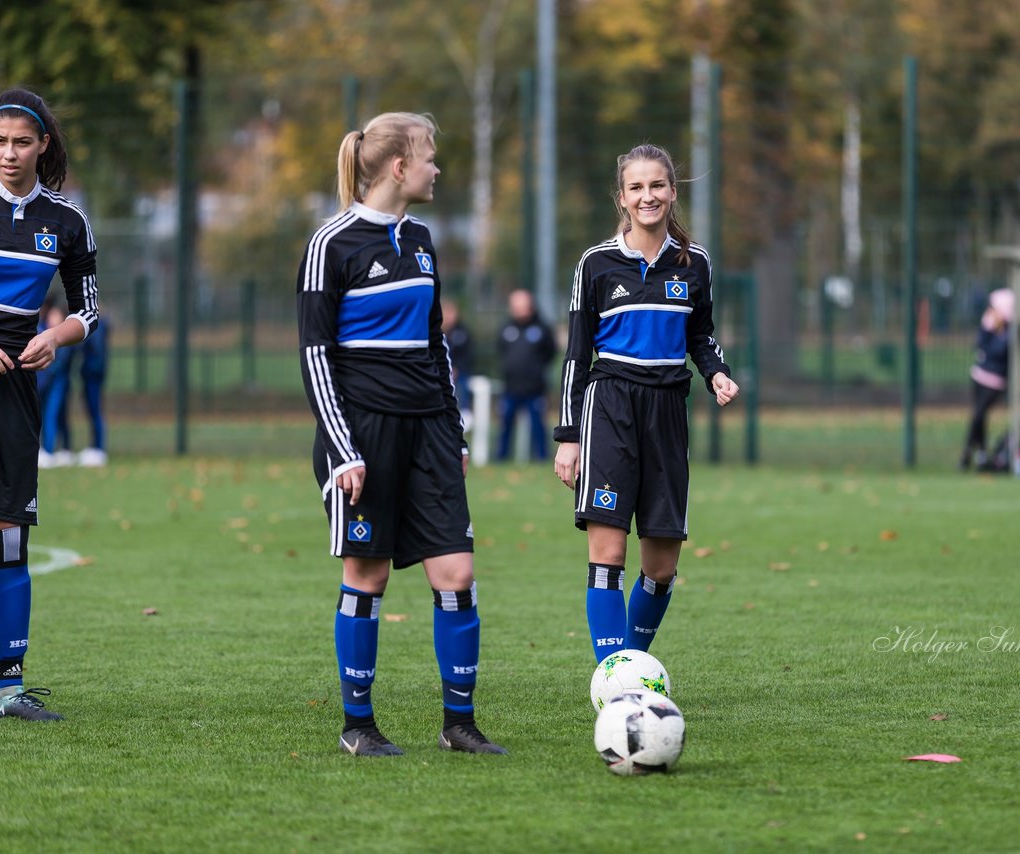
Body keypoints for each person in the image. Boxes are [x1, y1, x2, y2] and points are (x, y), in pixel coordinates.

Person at [297, 112, 505, 757]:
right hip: (363, 434)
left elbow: (434, 342)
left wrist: (456, 431)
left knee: (457, 573)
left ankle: (458, 724)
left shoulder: (420, 237)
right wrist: (343, 450)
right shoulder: (332, 243)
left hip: (431, 433)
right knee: (370, 575)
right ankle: (358, 726)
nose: (436, 167)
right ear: (398, 166)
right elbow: (314, 354)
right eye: (430, 156)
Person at [553, 143, 739, 664]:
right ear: (622, 197)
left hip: (666, 412)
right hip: (609, 407)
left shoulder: (694, 262)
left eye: (657, 185)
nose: (647, 196)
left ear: (672, 193)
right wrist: (568, 438)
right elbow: (575, 355)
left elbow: (701, 335)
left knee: (661, 567)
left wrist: (717, 372)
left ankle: (630, 663)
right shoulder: (596, 263)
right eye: (636, 187)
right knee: (607, 553)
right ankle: (615, 681)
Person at [0, 88, 100, 722]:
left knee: (9, 539)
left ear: (44, 147)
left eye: (21, 143)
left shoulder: (67, 221)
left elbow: (87, 309)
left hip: (16, 389)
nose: (9, 155)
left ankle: (6, 689)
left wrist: (54, 337)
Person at [496, 288, 556, 461]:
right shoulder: (506, 328)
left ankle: (542, 460)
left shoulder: (542, 328)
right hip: (510, 388)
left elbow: (549, 353)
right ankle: (500, 459)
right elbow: (501, 351)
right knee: (505, 426)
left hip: (535, 388)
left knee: (538, 428)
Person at [960, 288, 1013, 471]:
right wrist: (990, 328)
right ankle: (980, 454)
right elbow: (981, 346)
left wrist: (999, 333)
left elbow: (997, 353)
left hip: (995, 381)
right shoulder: (989, 325)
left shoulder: (1009, 333)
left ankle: (967, 453)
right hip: (980, 376)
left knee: (978, 415)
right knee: (978, 417)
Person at [35, 297, 76, 468]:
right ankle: (44, 448)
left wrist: (50, 371)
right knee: (42, 416)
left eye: (56, 316)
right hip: (43, 384)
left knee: (53, 415)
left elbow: (62, 362)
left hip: (57, 384)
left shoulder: (63, 341)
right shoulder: (41, 330)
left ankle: (51, 450)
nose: (53, 319)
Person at [74, 307, 109, 467]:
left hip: (92, 374)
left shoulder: (96, 327)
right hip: (93, 373)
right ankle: (97, 447)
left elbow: (94, 349)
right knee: (94, 410)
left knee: (95, 410)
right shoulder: (102, 326)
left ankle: (98, 448)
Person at [439, 297, 473, 429]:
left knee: (463, 384)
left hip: (459, 372)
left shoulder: (462, 332)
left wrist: (456, 368)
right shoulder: (435, 332)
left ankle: (465, 411)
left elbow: (466, 355)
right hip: (442, 371)